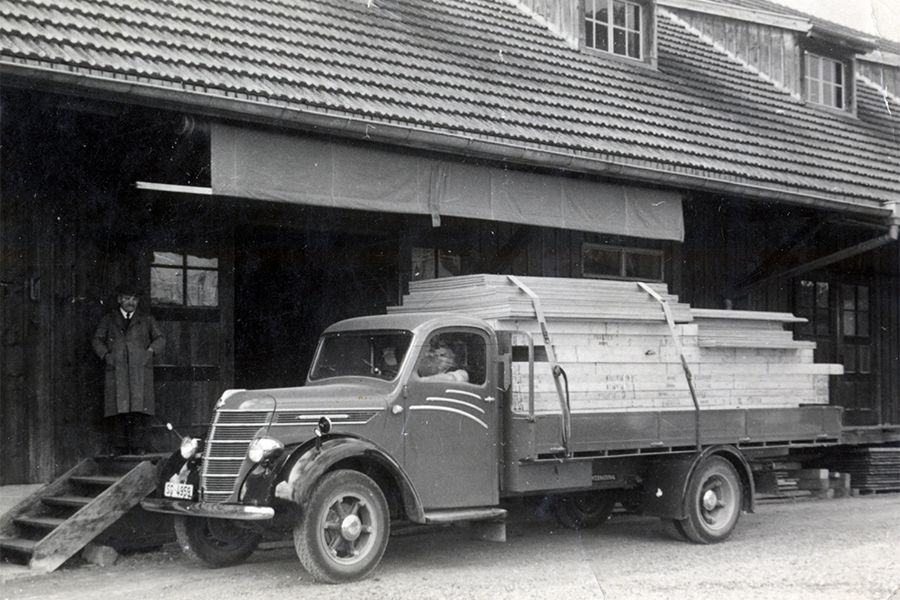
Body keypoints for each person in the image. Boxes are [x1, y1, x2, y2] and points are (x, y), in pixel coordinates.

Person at [92, 283, 166, 455]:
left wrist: (150, 352)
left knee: (138, 409)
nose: (131, 302)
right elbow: (97, 340)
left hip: (139, 371)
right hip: (117, 370)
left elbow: (161, 339)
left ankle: (138, 447)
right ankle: (118, 448)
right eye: (127, 298)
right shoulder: (108, 319)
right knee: (118, 409)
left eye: (134, 299)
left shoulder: (146, 319)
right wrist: (106, 355)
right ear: (119, 299)